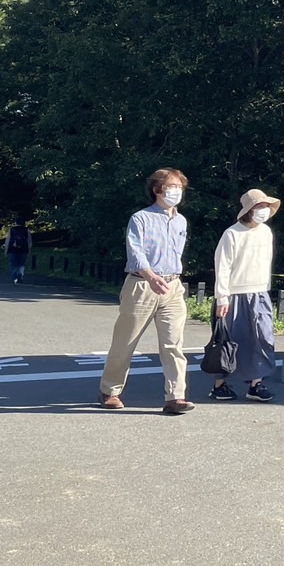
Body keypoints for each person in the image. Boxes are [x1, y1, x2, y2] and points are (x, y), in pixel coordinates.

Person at [98, 168, 195, 413]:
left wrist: (171, 279)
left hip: (172, 286)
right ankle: (110, 390)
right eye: (172, 186)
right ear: (157, 190)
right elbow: (136, 251)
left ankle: (175, 397)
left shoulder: (181, 220)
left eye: (180, 187)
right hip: (141, 285)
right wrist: (150, 276)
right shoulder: (140, 218)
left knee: (174, 344)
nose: (176, 191)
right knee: (125, 341)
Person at [210, 188, 281, 402]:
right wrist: (222, 297)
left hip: (259, 292)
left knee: (262, 338)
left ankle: (256, 384)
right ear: (248, 210)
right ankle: (219, 385)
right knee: (229, 341)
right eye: (259, 206)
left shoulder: (266, 232)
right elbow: (222, 266)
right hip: (234, 295)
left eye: (266, 207)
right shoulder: (232, 233)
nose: (264, 210)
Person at [4, 217, 31, 283]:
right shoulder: (27, 230)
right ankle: (20, 276)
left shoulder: (12, 229)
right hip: (23, 249)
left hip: (13, 249)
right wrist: (29, 250)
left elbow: (7, 240)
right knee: (21, 264)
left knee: (13, 264)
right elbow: (29, 241)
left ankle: (14, 277)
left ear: (16, 222)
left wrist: (6, 250)